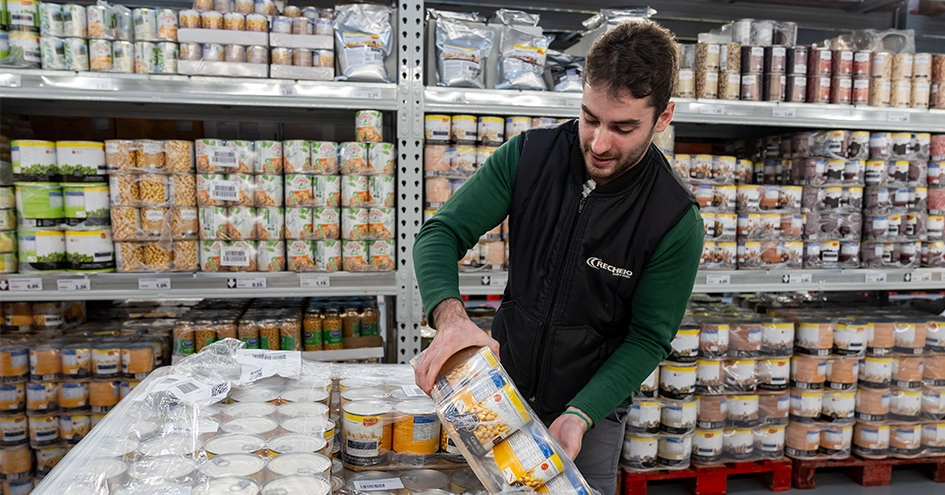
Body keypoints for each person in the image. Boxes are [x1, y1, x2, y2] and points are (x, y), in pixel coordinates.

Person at [413, 21, 703, 494]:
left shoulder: (673, 219)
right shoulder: (528, 157)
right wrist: (450, 319)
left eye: (623, 127)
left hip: (590, 411)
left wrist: (581, 414)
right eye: (590, 118)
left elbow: (649, 338)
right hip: (499, 389)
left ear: (663, 117)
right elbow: (440, 233)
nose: (599, 143)